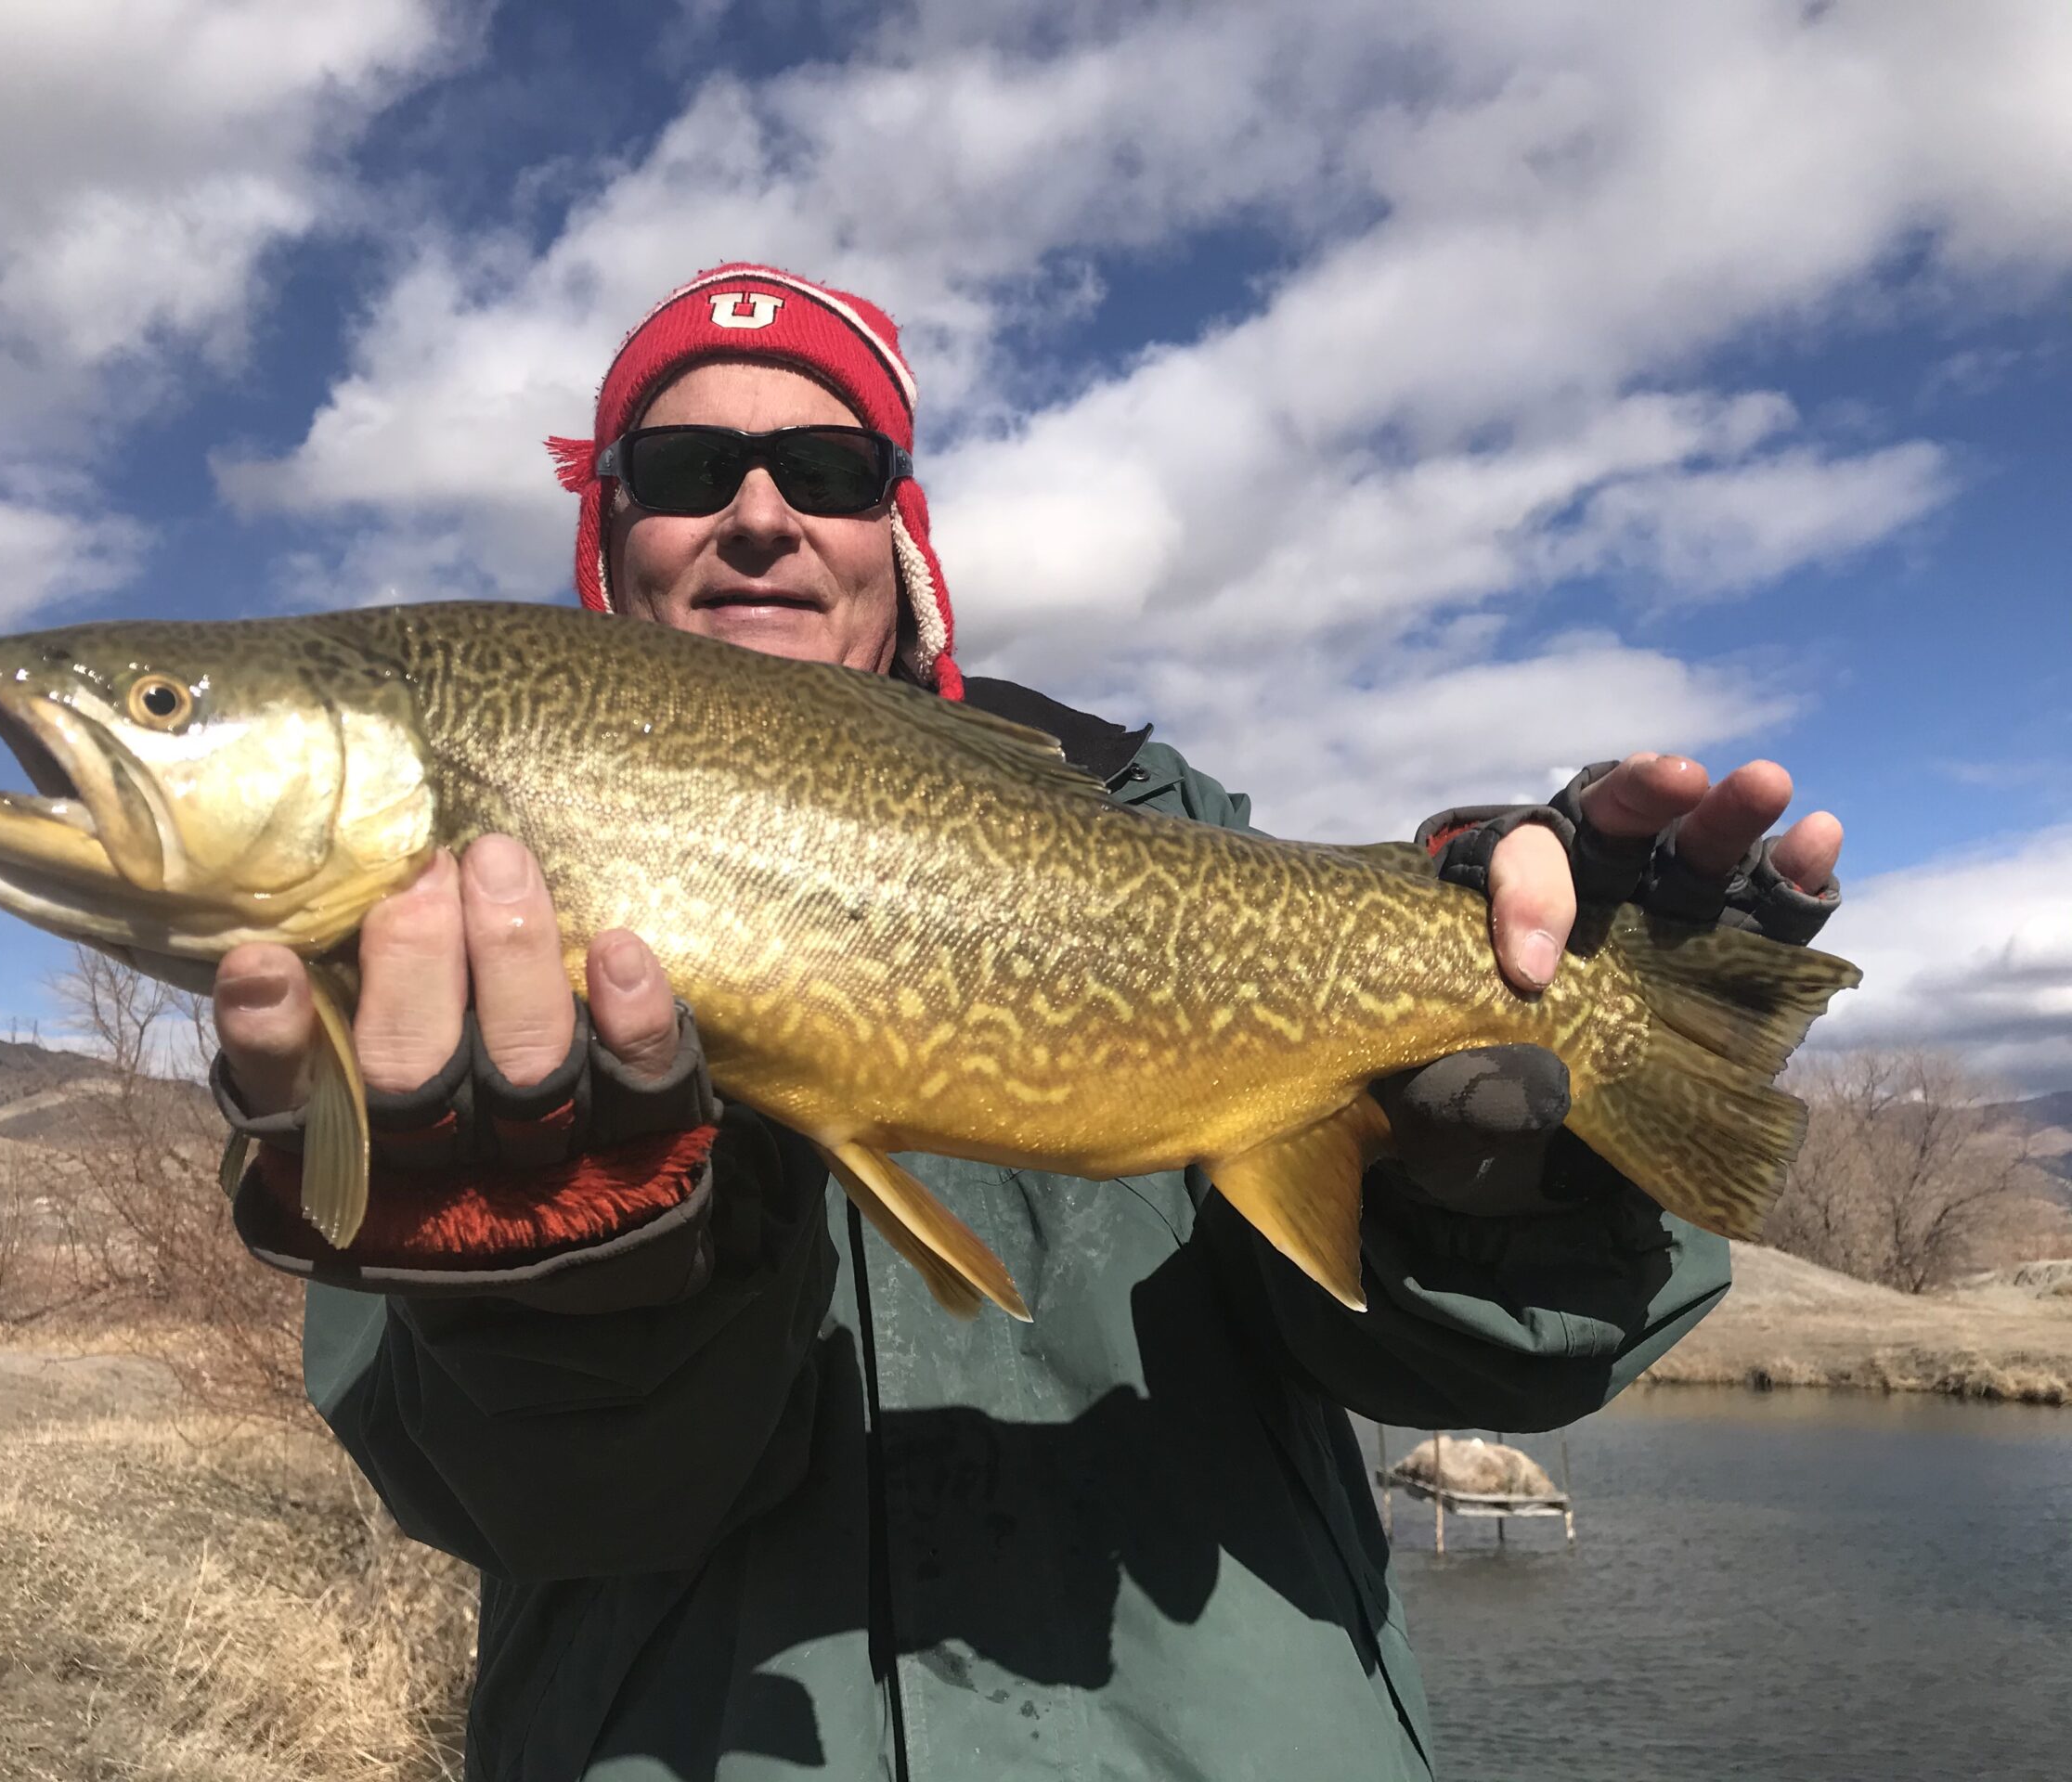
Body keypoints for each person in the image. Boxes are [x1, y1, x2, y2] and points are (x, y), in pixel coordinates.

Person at [209, 265, 1843, 1780]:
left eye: (831, 473)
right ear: (614, 533)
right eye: (689, 469)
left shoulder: (1164, 828)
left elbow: (1462, 1359)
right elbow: (519, 1497)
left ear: (898, 538)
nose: (762, 515)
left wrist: (1516, 1165)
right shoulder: (412, 964)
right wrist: (563, 1288)